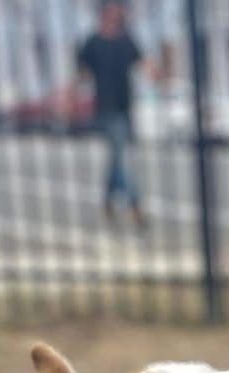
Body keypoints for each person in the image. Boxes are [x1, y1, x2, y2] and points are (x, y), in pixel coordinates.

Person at [77, 1, 148, 227]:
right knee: (121, 158)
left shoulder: (125, 39)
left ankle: (108, 201)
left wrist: (160, 73)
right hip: (106, 109)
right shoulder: (93, 42)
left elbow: (143, 63)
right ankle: (135, 206)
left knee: (116, 159)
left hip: (125, 107)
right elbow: (82, 73)